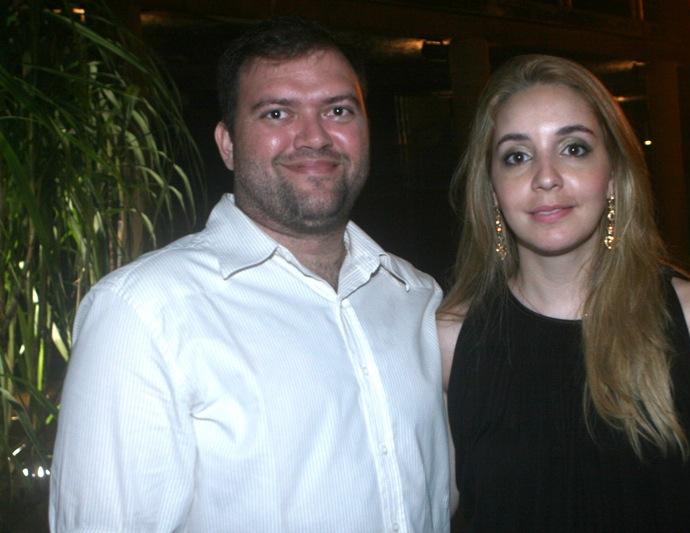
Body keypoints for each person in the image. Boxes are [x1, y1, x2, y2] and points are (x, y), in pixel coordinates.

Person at [50, 17, 450, 532]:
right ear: (228, 144)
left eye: (338, 110)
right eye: (277, 113)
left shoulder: (417, 298)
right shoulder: (144, 313)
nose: (314, 137)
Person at [438, 54, 690, 532]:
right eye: (517, 156)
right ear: (493, 190)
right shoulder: (452, 339)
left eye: (573, 148)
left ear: (614, 173)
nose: (546, 176)